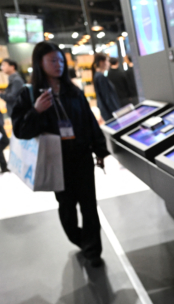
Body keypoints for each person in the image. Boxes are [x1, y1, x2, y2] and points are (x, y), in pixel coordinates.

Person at [12, 42, 110, 267]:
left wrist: (99, 150)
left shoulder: (73, 91)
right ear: (40, 63)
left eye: (60, 60)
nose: (58, 65)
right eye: (52, 60)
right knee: (67, 208)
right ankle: (80, 239)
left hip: (81, 156)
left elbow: (89, 121)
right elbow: (20, 131)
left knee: (89, 206)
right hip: (56, 160)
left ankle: (93, 251)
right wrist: (36, 111)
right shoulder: (29, 94)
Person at [92, 53, 120, 122]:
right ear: (101, 62)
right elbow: (107, 98)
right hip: (110, 113)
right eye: (107, 61)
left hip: (107, 112)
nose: (108, 63)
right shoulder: (100, 77)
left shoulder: (97, 75)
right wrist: (116, 112)